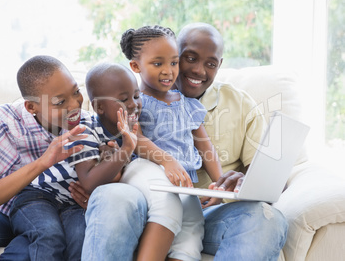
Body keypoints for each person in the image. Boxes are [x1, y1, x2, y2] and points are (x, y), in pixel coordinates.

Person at [0, 55, 148, 261]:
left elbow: (98, 177)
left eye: (76, 92)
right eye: (60, 102)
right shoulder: (5, 121)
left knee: (35, 248)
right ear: (32, 107)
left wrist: (96, 194)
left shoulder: (86, 125)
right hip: (11, 211)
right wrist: (43, 162)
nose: (75, 105)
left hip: (60, 214)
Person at [174, 22, 289, 260]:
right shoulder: (138, 99)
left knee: (267, 219)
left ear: (220, 66)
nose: (198, 70)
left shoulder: (240, 104)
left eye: (210, 64)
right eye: (190, 58)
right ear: (174, 55)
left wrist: (244, 181)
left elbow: (270, 180)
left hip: (212, 217)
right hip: (158, 213)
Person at [67, 62, 200, 261]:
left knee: (191, 208)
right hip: (121, 192)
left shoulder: (132, 124)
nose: (133, 104)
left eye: (136, 96)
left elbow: (141, 143)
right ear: (99, 107)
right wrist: (125, 150)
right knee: (167, 199)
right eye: (123, 99)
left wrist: (166, 160)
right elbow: (89, 182)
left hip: (138, 188)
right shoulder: (85, 131)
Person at [120, 25, 223, 261]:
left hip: (183, 181)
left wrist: (220, 183)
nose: (168, 71)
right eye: (158, 64)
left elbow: (205, 147)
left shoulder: (188, 104)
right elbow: (137, 139)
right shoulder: (137, 103)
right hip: (151, 174)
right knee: (169, 211)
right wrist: (167, 161)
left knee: (192, 232)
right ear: (136, 66)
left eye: (174, 63)